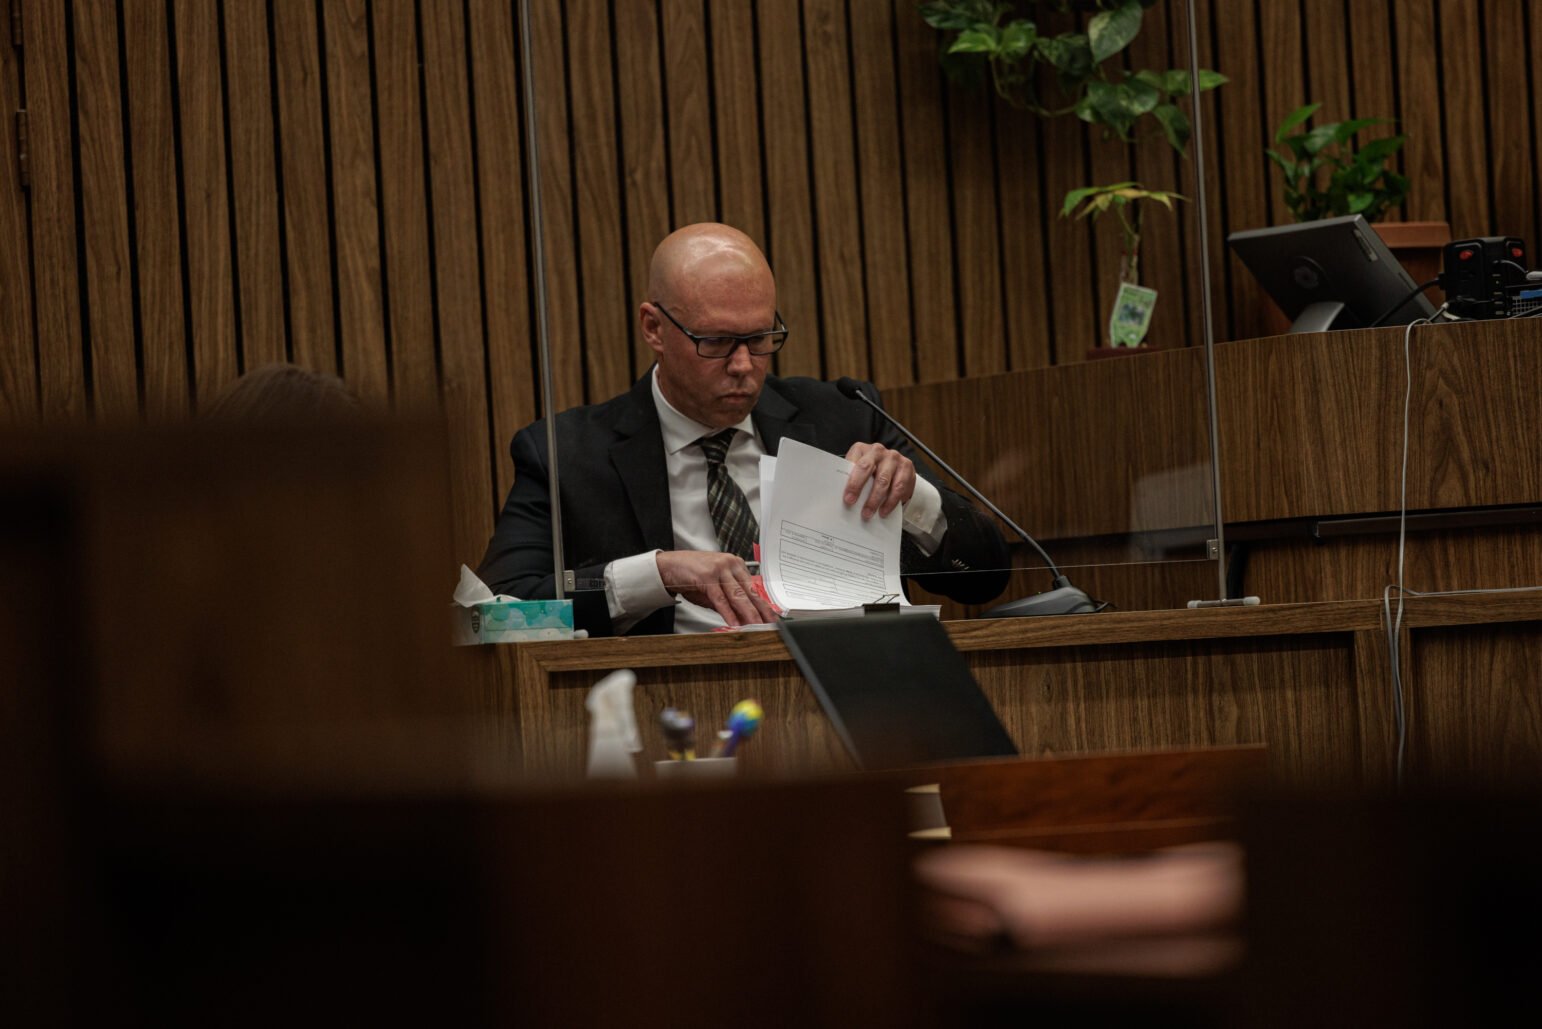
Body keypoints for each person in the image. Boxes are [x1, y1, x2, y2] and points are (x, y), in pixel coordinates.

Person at [477, 223, 1008, 636]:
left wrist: (916, 499)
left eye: (760, 338)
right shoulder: (566, 454)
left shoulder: (842, 416)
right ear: (654, 329)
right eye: (715, 342)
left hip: (848, 691)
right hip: (671, 713)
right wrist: (656, 576)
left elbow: (984, 579)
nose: (743, 366)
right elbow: (501, 608)